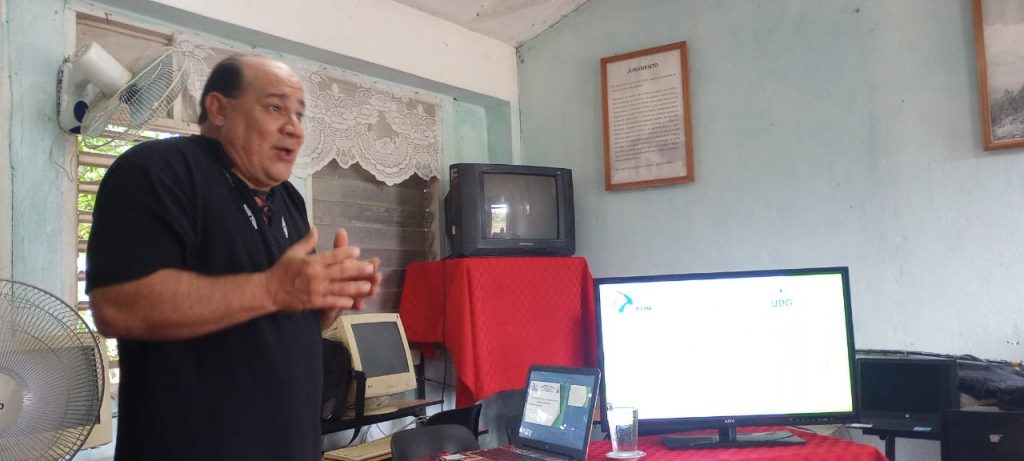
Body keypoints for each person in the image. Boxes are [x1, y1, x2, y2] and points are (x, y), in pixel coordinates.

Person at [86, 54, 382, 461]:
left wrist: (325, 302)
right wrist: (272, 289)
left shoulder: (289, 199)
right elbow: (117, 307)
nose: (294, 128)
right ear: (219, 109)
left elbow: (277, 317)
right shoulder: (157, 170)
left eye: (298, 115)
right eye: (275, 108)